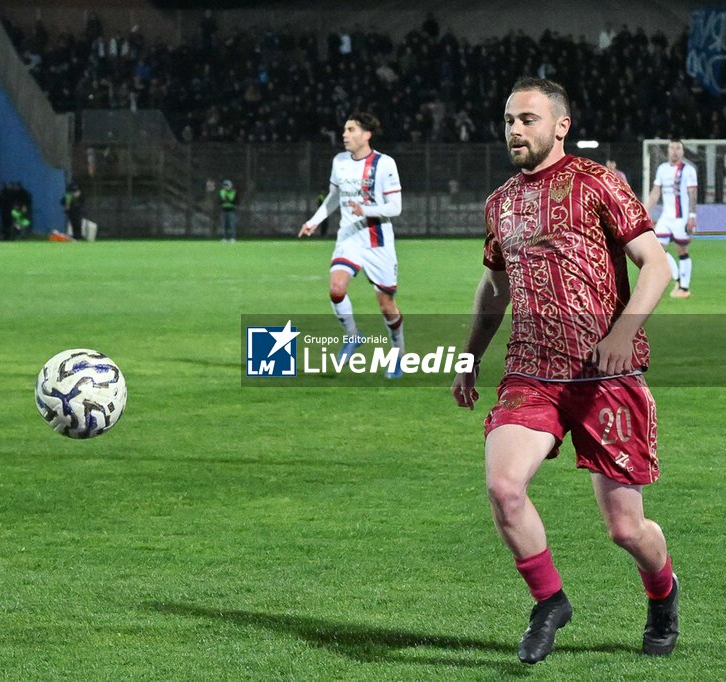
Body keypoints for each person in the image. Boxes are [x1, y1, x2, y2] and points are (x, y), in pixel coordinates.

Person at [450, 78, 677, 664]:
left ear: (560, 126)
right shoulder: (499, 202)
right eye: (508, 120)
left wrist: (624, 331)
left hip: (606, 375)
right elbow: (495, 288)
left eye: (527, 119)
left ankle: (662, 592)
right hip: (531, 371)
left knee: (626, 529)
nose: (515, 130)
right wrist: (470, 355)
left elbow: (657, 264)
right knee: (503, 487)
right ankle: (549, 601)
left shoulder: (599, 181)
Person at [298, 112, 405, 378]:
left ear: (366, 134)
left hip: (378, 242)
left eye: (350, 129)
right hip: (348, 238)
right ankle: (353, 336)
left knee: (386, 306)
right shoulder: (340, 162)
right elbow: (334, 197)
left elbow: (395, 207)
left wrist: (366, 209)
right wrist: (313, 221)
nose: (344, 134)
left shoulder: (385, 164)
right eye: (344, 130)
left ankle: (398, 353)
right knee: (336, 288)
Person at [645, 139, 697, 298]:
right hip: (666, 218)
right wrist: (644, 211)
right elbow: (655, 192)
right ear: (668, 151)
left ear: (682, 151)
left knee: (682, 250)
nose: (674, 151)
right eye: (672, 148)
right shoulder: (662, 169)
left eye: (678, 148)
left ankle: (684, 288)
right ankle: (677, 279)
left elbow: (692, 194)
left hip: (681, 218)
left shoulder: (688, 170)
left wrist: (692, 216)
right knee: (657, 249)